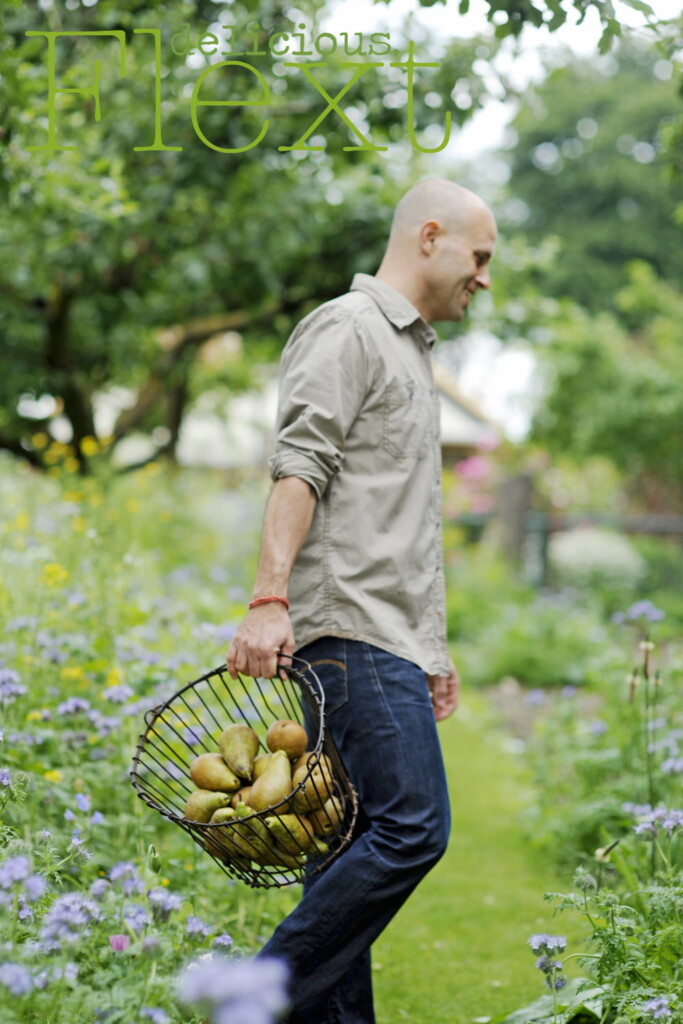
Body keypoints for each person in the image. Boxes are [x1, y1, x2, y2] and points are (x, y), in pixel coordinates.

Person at [226, 177, 497, 1024]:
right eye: (478, 257)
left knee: (341, 846)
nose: (483, 278)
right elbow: (298, 467)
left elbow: (398, 524)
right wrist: (268, 597)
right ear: (429, 237)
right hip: (347, 631)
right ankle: (248, 998)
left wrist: (432, 650)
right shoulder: (348, 332)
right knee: (412, 826)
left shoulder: (411, 352)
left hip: (386, 635)